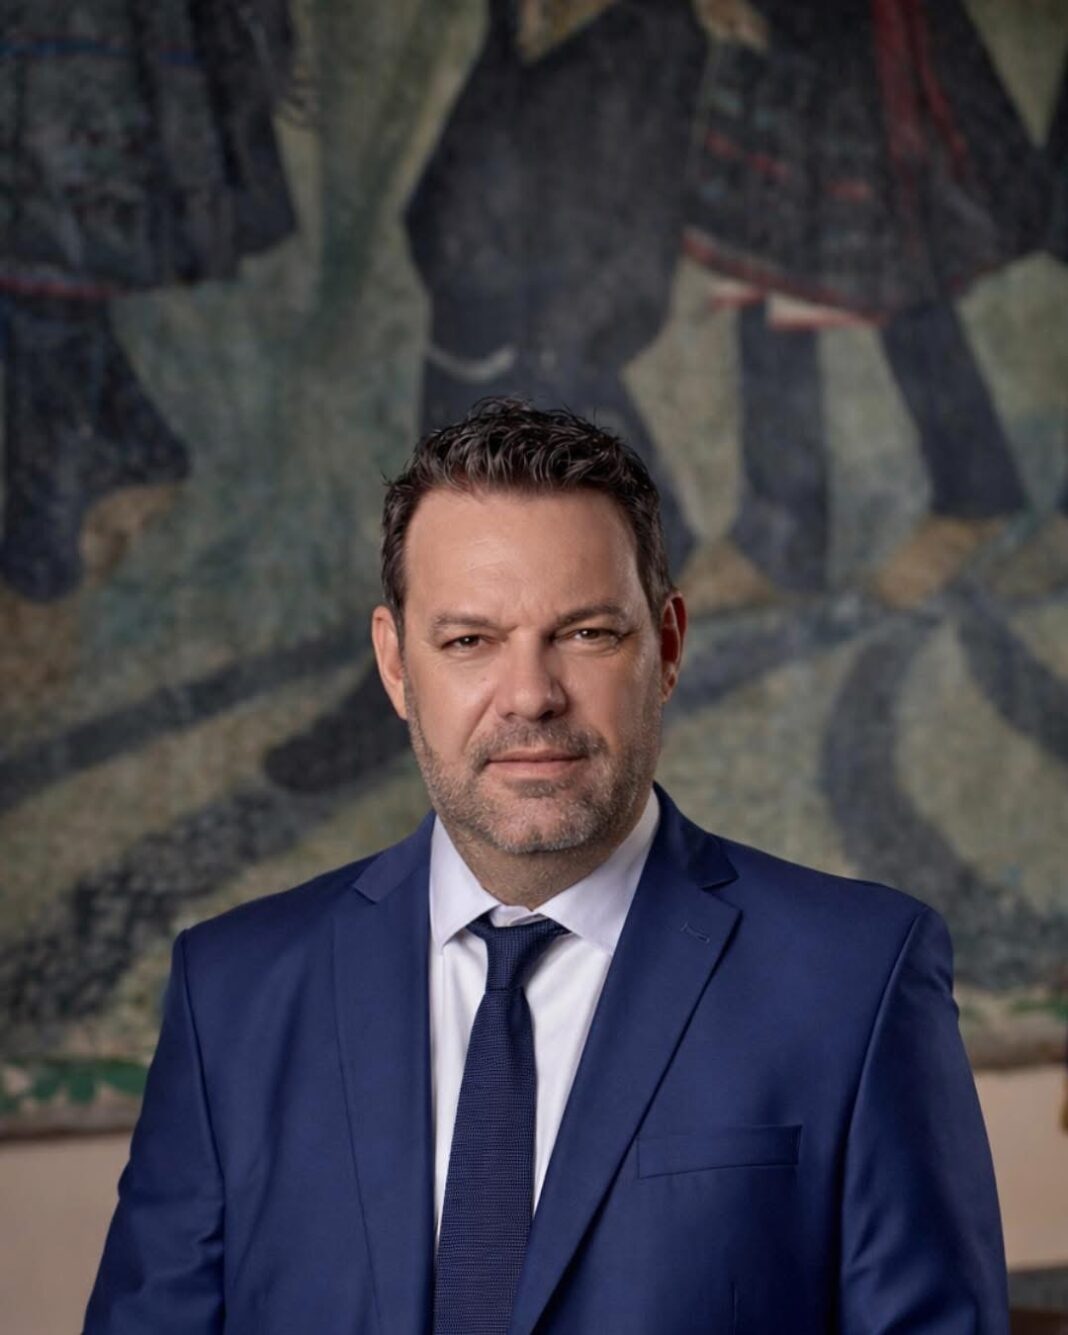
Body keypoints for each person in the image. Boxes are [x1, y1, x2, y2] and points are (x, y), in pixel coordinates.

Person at [85, 398, 1008, 1333]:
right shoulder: (230, 995)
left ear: (668, 647)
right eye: (469, 641)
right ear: (396, 666)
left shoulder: (856, 979)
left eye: (586, 633)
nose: (530, 695)